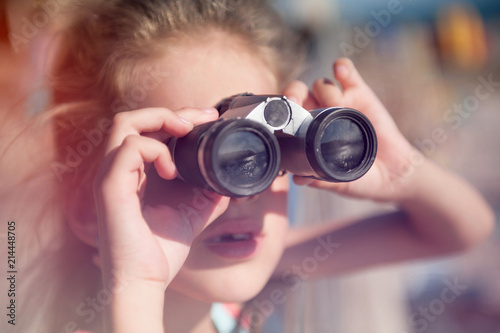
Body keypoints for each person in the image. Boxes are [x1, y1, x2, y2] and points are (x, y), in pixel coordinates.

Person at [4, 0, 494, 332]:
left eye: (268, 154)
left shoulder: (244, 266)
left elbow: (462, 230)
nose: (243, 192)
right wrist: (136, 285)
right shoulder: (106, 314)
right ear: (93, 206)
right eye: (207, 156)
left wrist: (403, 171)